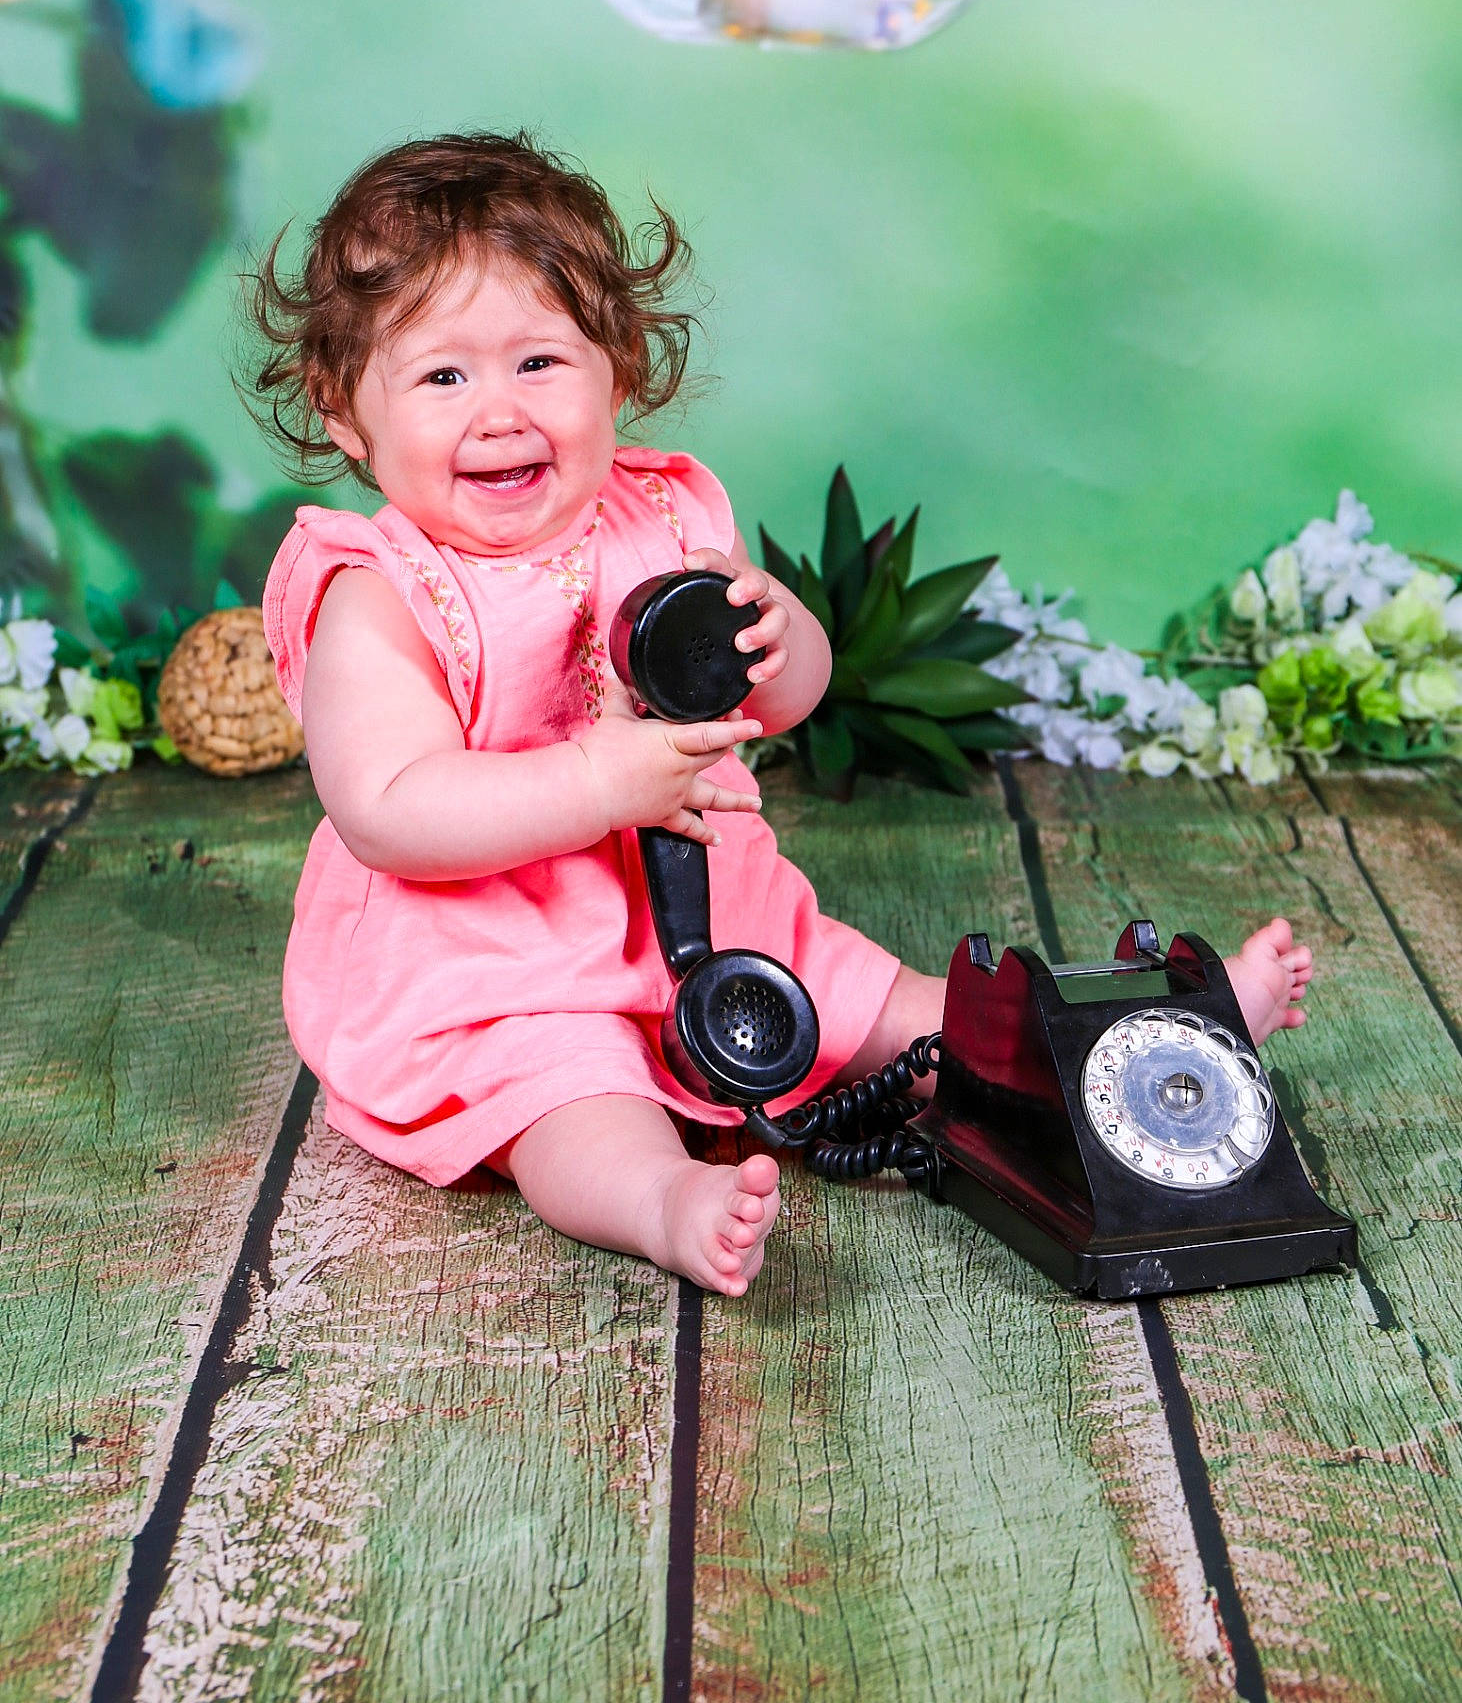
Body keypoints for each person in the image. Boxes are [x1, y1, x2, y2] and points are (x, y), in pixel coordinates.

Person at [252, 131, 1313, 1298]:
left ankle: (1148, 1041)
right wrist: (595, 784)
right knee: (571, 1096)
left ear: (619, 370)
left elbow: (781, 699)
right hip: (499, 961)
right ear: (345, 413)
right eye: (442, 378)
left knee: (898, 1011)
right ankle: (663, 1200)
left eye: (539, 361)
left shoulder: (663, 519)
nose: (499, 411)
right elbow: (387, 808)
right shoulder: (380, 594)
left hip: (726, 921)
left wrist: (781, 633)